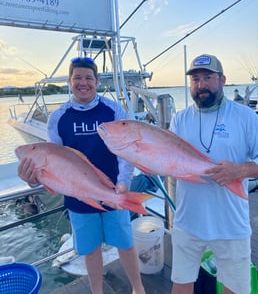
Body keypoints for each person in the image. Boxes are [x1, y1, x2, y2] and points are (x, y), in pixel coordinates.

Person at [18, 56, 146, 294]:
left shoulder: (112, 109)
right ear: (70, 81)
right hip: (78, 196)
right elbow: (52, 158)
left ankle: (139, 289)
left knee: (125, 243)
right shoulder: (58, 117)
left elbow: (126, 153)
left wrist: (123, 183)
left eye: (88, 77)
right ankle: (97, 291)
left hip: (113, 189)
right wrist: (35, 178)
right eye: (77, 77)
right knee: (89, 248)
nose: (83, 82)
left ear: (97, 81)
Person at [169, 54, 258, 294]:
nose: (201, 85)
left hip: (231, 224)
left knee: (236, 289)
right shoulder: (179, 119)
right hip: (187, 221)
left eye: (208, 77)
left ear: (223, 80)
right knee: (181, 282)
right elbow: (165, 161)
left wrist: (240, 170)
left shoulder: (246, 117)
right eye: (195, 79)